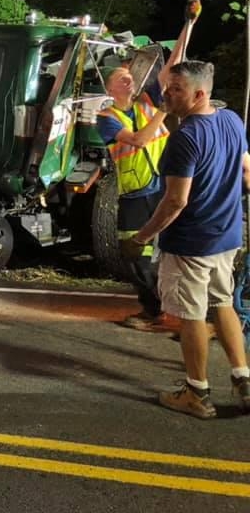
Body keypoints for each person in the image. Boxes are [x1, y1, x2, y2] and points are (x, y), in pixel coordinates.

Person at [121, 60, 250, 419]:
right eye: (168, 87)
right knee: (223, 302)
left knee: (192, 314)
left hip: (192, 242)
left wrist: (142, 237)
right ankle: (244, 381)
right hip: (227, 236)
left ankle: (196, 392)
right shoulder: (233, 121)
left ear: (199, 93)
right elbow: (246, 172)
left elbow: (176, 201)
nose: (167, 95)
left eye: (176, 90)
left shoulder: (185, 138)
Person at [96, 13, 192, 329]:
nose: (129, 80)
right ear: (109, 89)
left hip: (162, 189)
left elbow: (174, 64)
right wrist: (163, 111)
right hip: (137, 192)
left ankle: (165, 312)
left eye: (130, 77)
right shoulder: (107, 117)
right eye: (121, 78)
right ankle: (159, 309)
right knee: (133, 252)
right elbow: (138, 140)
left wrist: (188, 23)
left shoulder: (146, 102)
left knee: (173, 252)